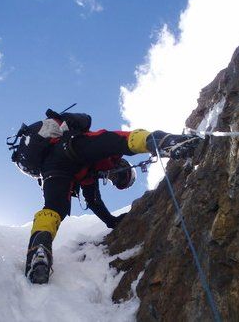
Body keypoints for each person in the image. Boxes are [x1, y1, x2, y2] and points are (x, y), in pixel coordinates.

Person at [14, 112, 201, 284]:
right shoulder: (99, 156)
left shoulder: (90, 175)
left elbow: (94, 202)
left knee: (54, 209)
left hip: (54, 167)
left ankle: (39, 249)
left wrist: (112, 221)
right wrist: (155, 140)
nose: (114, 176)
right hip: (71, 148)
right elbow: (120, 140)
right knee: (117, 142)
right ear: (122, 165)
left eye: (117, 181)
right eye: (120, 176)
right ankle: (165, 141)